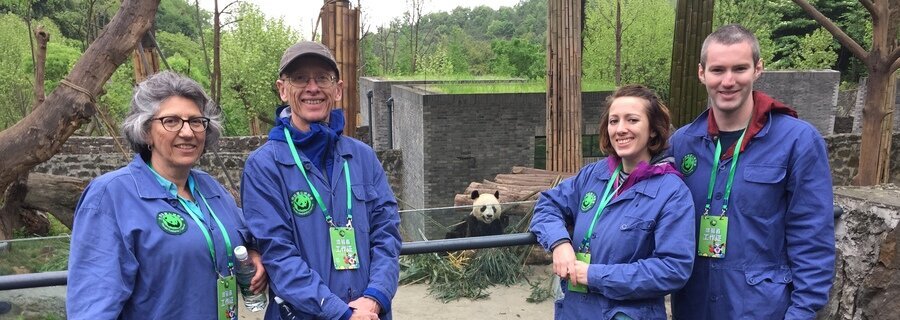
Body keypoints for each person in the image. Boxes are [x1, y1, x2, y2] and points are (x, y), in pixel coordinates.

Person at [66, 71, 267, 319]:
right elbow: (93, 307)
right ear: (146, 130)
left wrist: (253, 251)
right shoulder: (111, 196)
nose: (187, 132)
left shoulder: (210, 189)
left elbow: (246, 230)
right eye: (171, 121)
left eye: (196, 121)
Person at [669, 24, 835, 319]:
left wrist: (802, 312)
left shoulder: (797, 141)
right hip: (694, 305)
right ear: (701, 73)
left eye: (740, 69)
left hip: (762, 308)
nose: (728, 81)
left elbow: (811, 235)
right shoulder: (683, 143)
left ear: (758, 69)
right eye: (718, 70)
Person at [241, 41, 401, 320]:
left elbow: (386, 235)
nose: (312, 87)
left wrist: (375, 297)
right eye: (300, 78)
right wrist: (341, 313)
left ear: (337, 89)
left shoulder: (363, 157)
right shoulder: (264, 166)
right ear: (282, 89)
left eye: (322, 78)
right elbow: (278, 255)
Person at [530, 85, 695, 319]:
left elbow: (672, 269)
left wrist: (594, 275)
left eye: (632, 120)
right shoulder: (593, 175)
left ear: (653, 131)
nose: (620, 129)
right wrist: (559, 243)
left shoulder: (672, 192)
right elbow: (547, 204)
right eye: (614, 121)